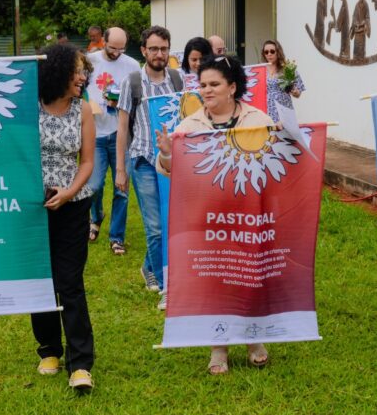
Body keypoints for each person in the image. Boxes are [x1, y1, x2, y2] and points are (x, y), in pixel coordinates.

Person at [156, 55, 274, 375]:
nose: (206, 90)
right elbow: (172, 172)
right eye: (202, 85)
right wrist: (168, 152)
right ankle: (218, 348)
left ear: (232, 87)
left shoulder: (258, 119)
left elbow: (275, 163)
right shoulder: (190, 125)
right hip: (207, 218)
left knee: (248, 276)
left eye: (214, 84)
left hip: (249, 216)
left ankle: (253, 338)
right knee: (216, 280)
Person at [32, 43, 97, 391]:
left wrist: (69, 192)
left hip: (73, 204)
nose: (83, 76)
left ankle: (81, 362)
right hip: (33, 206)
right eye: (76, 70)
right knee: (40, 279)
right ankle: (49, 350)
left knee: (69, 281)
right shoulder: (29, 104)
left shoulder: (82, 109)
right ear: (56, 71)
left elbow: (87, 161)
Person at [115, 26, 183, 309]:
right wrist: (120, 169)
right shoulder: (132, 83)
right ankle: (167, 286)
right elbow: (121, 129)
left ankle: (149, 266)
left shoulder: (178, 80)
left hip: (174, 163)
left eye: (163, 48)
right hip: (143, 161)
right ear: (143, 51)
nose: (159, 54)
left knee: (174, 223)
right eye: (153, 48)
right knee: (155, 226)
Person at [86, 27, 140, 248]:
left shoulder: (133, 66)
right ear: (102, 42)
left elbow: (138, 99)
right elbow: (78, 89)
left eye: (121, 49)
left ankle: (116, 238)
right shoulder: (90, 61)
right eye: (112, 48)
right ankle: (96, 217)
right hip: (95, 133)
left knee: (122, 189)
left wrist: (123, 105)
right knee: (95, 185)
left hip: (120, 133)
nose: (117, 53)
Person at [261, 39, 304, 121]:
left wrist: (295, 92)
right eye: (266, 52)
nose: (269, 54)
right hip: (266, 112)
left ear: (278, 52)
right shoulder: (261, 69)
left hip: (284, 110)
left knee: (285, 133)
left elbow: (298, 93)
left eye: (272, 51)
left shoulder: (287, 69)